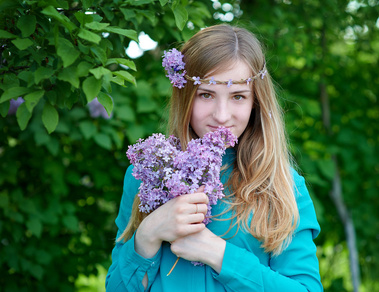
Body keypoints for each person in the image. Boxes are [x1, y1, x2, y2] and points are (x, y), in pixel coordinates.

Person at [105, 24, 323, 292]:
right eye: (206, 94)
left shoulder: (284, 186)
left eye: (238, 96)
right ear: (184, 96)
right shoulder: (147, 175)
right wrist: (148, 235)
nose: (221, 115)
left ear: (256, 102)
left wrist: (218, 254)